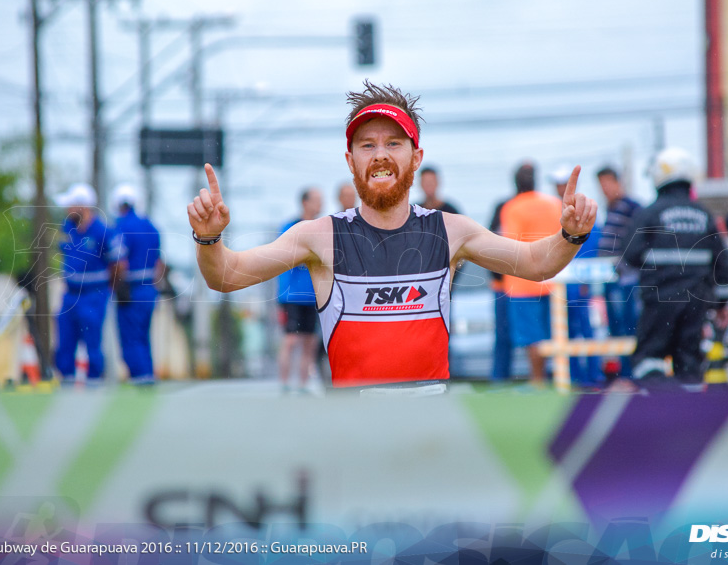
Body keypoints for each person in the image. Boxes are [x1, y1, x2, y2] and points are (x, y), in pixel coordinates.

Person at [187, 80, 597, 391]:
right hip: (352, 437)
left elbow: (535, 263)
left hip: (431, 437)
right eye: (367, 145)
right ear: (351, 161)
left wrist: (570, 235)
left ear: (416, 157)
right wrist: (209, 240)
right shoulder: (319, 236)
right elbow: (227, 275)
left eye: (393, 143)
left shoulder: (449, 230)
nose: (380, 154)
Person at [622, 148, 728, 384]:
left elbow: (629, 254)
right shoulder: (704, 215)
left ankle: (661, 405)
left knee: (648, 360)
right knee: (689, 363)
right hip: (696, 303)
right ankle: (688, 415)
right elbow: (723, 264)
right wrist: (722, 303)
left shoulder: (650, 214)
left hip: (659, 303)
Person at [499, 163, 564, 385]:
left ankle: (538, 380)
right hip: (554, 280)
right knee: (552, 334)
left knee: (532, 337)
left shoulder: (512, 208)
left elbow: (511, 245)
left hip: (522, 283)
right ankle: (559, 378)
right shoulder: (554, 204)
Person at [53, 183, 123, 383]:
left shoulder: (103, 231)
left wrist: (109, 288)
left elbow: (118, 264)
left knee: (93, 344)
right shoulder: (69, 229)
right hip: (70, 296)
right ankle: (66, 380)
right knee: (65, 342)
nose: (67, 210)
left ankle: (94, 384)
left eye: (70, 206)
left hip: (94, 296)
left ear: (82, 207)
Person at [552, 166, 603, 384]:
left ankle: (594, 375)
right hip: (561, 282)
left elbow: (593, 248)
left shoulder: (584, 211)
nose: (560, 188)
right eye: (558, 184)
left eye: (563, 184)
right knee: (566, 330)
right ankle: (574, 375)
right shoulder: (553, 211)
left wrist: (586, 280)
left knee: (586, 328)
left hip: (579, 282)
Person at [111, 184, 164, 385]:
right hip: (149, 289)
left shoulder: (122, 227)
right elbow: (159, 263)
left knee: (131, 339)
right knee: (143, 336)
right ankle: (148, 375)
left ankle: (141, 380)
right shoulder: (151, 226)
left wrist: (116, 285)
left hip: (131, 291)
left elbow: (120, 262)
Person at [277, 188, 323, 393]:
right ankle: (285, 383)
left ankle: (304, 384)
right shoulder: (290, 227)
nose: (320, 204)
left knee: (310, 342)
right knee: (291, 340)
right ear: (305, 202)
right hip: (291, 296)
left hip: (314, 297)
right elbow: (279, 260)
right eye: (316, 200)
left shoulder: (323, 228)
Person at [596, 165, 643, 339]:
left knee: (627, 326)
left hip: (626, 277)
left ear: (617, 182)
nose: (604, 190)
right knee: (615, 327)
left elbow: (641, 239)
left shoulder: (631, 207)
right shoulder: (610, 209)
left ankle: (630, 366)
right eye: (601, 185)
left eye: (607, 184)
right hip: (610, 276)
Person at [487, 196, 512, 380]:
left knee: (526, 336)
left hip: (521, 287)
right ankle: (500, 377)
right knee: (502, 336)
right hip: (502, 286)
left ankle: (536, 377)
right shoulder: (500, 214)